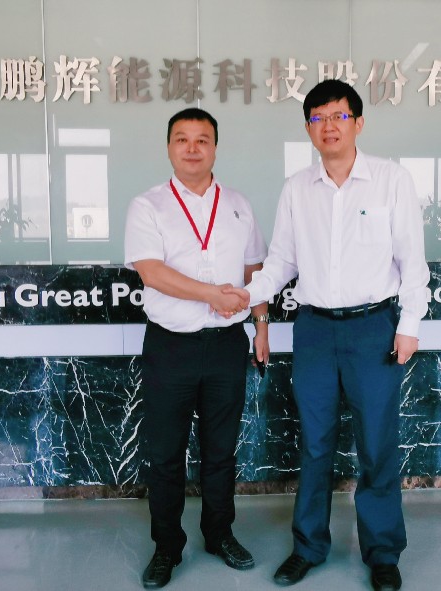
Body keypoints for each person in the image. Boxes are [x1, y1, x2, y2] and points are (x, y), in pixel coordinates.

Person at [227, 79, 429, 591]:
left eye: (339, 116)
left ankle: (382, 553)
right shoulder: (297, 188)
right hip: (315, 328)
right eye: (318, 118)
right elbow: (281, 261)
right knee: (315, 444)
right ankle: (308, 547)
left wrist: (409, 325)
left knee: (376, 444)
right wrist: (246, 295)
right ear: (308, 129)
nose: (329, 127)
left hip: (374, 328)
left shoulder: (391, 180)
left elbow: (412, 260)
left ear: (358, 123)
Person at [123, 107, 270, 588]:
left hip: (227, 345)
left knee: (221, 451)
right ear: (169, 147)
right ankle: (167, 547)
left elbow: (254, 271)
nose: (192, 148)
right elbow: (151, 272)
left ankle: (219, 534)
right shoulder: (148, 205)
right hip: (171, 347)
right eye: (182, 139)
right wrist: (211, 295)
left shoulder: (239, 205)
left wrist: (261, 325)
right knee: (166, 454)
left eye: (202, 139)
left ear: (215, 148)